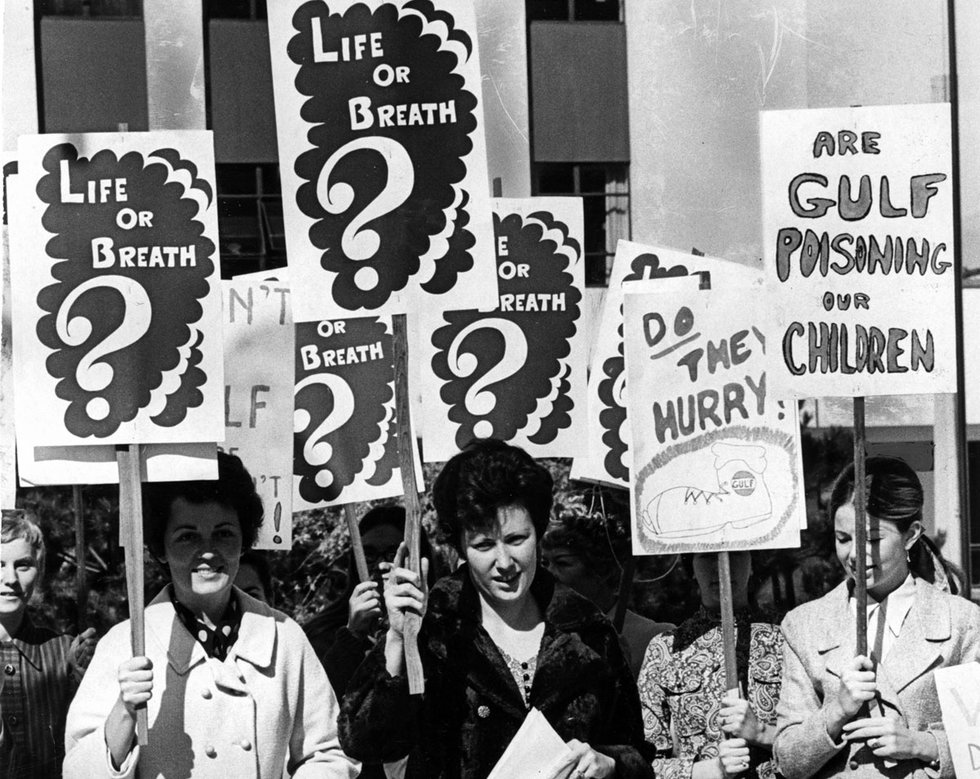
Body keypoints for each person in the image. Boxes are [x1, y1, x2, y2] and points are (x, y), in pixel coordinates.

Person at [339, 438, 654, 779]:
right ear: (460, 546)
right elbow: (365, 743)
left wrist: (610, 763)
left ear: (539, 532)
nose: (504, 562)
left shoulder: (589, 631)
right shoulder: (432, 628)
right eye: (484, 545)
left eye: (517, 540)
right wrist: (399, 640)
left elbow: (636, 754)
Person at [63, 452, 358, 778]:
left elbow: (329, 753)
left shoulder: (285, 636)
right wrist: (124, 711)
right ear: (160, 546)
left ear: (244, 539)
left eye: (223, 533)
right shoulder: (124, 644)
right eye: (187, 536)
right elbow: (77, 770)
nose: (207, 551)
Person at [773, 455, 980, 779]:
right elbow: (787, 761)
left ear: (910, 535)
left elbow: (978, 747)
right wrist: (836, 711)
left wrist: (921, 744)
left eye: (872, 540)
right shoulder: (805, 626)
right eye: (843, 539)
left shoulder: (961, 623)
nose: (855, 554)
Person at [637, 551, 784, 779]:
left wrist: (762, 733)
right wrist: (710, 770)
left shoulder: (785, 638)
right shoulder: (665, 650)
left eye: (734, 554)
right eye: (706, 556)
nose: (720, 565)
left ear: (752, 561)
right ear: (692, 567)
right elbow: (642, 764)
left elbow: (814, 741)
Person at [0, 511, 95, 779]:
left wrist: (85, 674)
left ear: (38, 571)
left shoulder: (64, 652)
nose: (10, 578)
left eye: (23, 565)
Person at [542, 508, 673, 678]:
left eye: (563, 563)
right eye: (545, 563)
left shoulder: (653, 638)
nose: (549, 573)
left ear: (602, 570)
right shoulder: (535, 633)